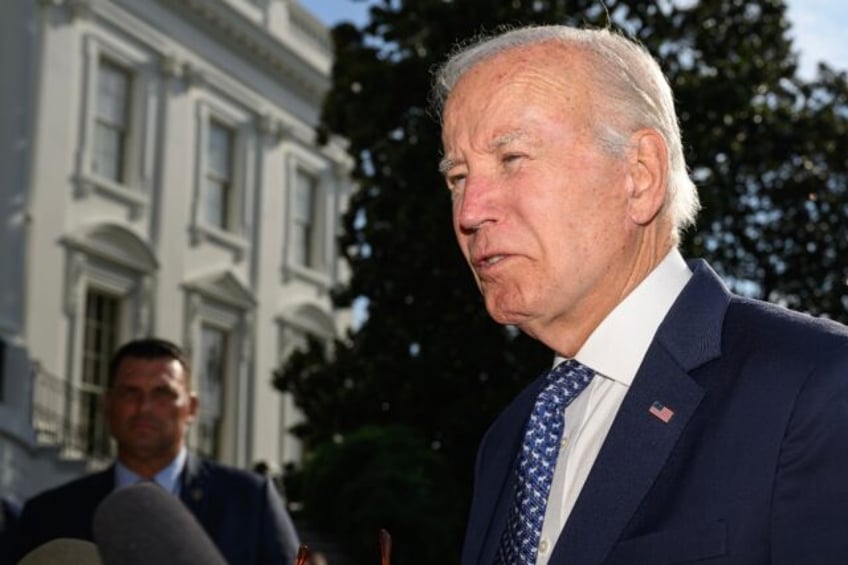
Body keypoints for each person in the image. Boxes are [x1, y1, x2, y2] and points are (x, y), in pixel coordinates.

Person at [431, 25, 848, 565]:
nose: (469, 211)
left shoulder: (815, 386)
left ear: (640, 175)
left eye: (512, 158)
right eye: (457, 177)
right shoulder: (508, 439)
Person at [16, 338, 300, 564]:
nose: (144, 408)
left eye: (162, 394)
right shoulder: (48, 515)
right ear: (108, 405)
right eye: (130, 393)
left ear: (192, 408)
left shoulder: (251, 500)